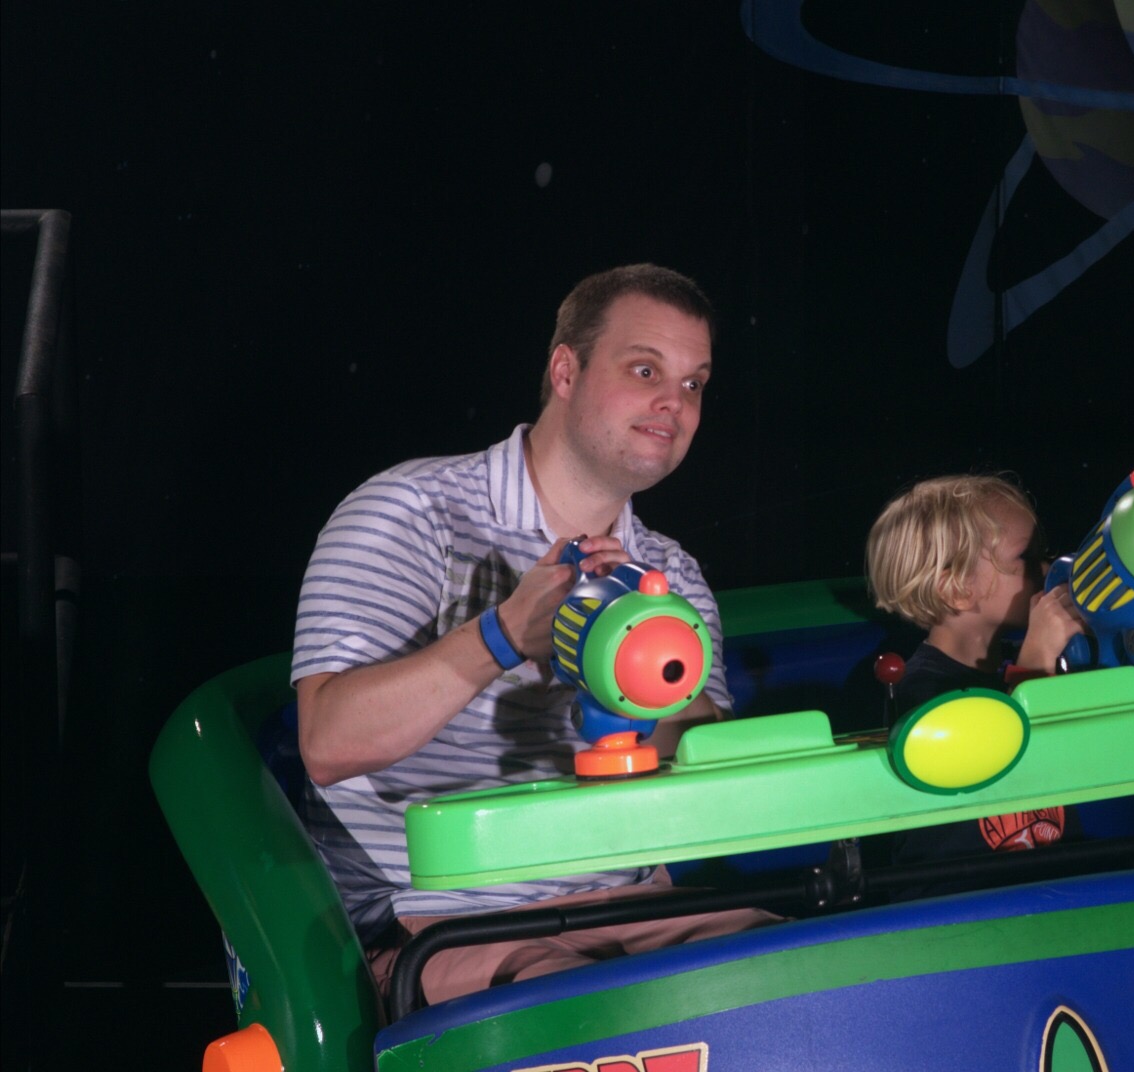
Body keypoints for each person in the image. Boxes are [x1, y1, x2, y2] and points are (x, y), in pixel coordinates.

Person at [292, 264, 774, 1003]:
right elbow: (329, 743)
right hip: (446, 925)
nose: (673, 403)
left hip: (638, 905)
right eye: (645, 370)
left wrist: (648, 683)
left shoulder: (669, 573)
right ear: (565, 371)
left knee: (813, 979)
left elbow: (701, 786)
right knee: (600, 1017)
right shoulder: (414, 512)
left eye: (693, 383)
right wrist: (503, 636)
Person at [865, 474, 1085, 897]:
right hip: (964, 903)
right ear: (957, 589)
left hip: (1054, 888)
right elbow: (1008, 763)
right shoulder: (919, 693)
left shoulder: (1019, 665)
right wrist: (1035, 663)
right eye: (1026, 557)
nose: (1046, 569)